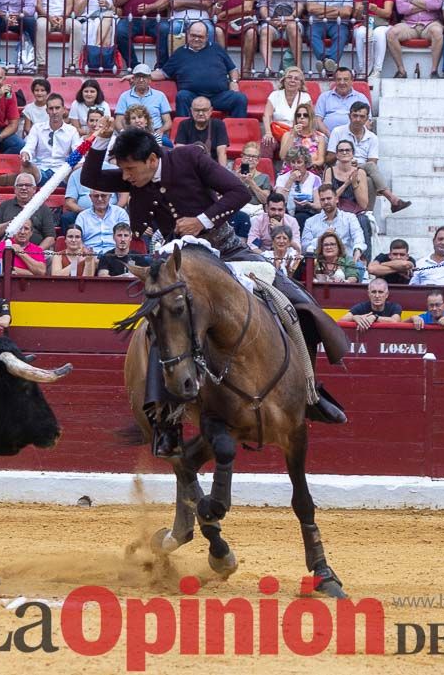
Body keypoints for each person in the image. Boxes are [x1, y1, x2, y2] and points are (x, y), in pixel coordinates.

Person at [81, 121, 351, 449]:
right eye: (122, 169)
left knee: (294, 300)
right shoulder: (136, 175)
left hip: (226, 248)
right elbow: (90, 178)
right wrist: (103, 138)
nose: (124, 177)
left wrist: (202, 221)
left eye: (129, 169)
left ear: (152, 160)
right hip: (179, 260)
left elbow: (238, 192)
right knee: (161, 323)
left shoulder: (190, 158)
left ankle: (308, 391)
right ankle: (164, 416)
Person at [151, 21, 248, 118]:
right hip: (192, 97)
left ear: (206, 37)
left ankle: (237, 131)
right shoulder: (179, 53)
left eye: (200, 36)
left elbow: (233, 69)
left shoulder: (217, 48)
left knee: (240, 98)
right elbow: (163, 73)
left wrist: (234, 81)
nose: (196, 39)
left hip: (218, 96)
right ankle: (183, 130)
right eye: (193, 35)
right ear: (188, 34)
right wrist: (144, 75)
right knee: (182, 96)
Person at [327, 101, 409, 212]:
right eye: (355, 115)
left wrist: (357, 166)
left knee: (369, 177)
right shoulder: (338, 132)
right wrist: (344, 156)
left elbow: (373, 162)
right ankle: (391, 198)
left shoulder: (372, 137)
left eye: (361, 116)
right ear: (349, 116)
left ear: (367, 119)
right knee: (369, 172)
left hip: (361, 168)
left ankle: (367, 213)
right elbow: (329, 158)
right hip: (341, 166)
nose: (358, 119)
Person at [255, 0, 305, 74]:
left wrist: (290, 18)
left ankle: (298, 68)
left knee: (293, 26)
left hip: (292, 20)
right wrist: (270, 20)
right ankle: (268, 69)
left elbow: (300, 5)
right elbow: (263, 7)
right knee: (265, 31)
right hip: (272, 23)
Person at [22, 95, 81, 185]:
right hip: (40, 170)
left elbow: (78, 152)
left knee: (79, 167)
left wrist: (76, 165)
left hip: (63, 173)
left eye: (57, 108)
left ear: (64, 109)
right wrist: (25, 154)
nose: (54, 112)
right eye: (51, 109)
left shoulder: (72, 131)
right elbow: (29, 147)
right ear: (47, 111)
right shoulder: (37, 128)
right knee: (26, 166)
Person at [306, 0, 354, 74]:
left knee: (341, 35)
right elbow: (311, 8)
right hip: (318, 23)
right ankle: (329, 62)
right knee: (311, 34)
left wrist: (323, 12)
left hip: (338, 24)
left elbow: (347, 12)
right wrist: (337, 10)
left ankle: (327, 63)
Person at [0, 174, 57, 248]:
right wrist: (11, 223)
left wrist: (36, 252)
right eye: (20, 185)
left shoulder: (43, 208)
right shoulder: (4, 206)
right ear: (15, 189)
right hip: (9, 252)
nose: (24, 188)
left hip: (35, 254)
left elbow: (51, 238)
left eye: (28, 185)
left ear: (34, 189)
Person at [301, 184, 366, 262]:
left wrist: (357, 252)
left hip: (346, 263)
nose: (326, 202)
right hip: (320, 265)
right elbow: (305, 247)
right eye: (322, 199)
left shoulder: (350, 218)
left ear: (336, 199)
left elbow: (358, 238)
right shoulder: (310, 222)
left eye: (329, 198)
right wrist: (322, 238)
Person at [352, 0, 394, 78]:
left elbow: (387, 13)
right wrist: (359, 10)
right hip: (365, 23)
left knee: (378, 33)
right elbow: (356, 17)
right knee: (360, 33)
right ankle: (363, 69)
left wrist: (375, 10)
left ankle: (377, 70)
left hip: (383, 23)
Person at [175, 96, 229, 165]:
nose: (200, 113)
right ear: (191, 110)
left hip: (212, 165)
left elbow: (222, 152)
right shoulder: (184, 124)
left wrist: (222, 173)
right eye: (197, 110)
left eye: (204, 110)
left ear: (211, 110)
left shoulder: (218, 124)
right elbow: (179, 149)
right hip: (190, 165)